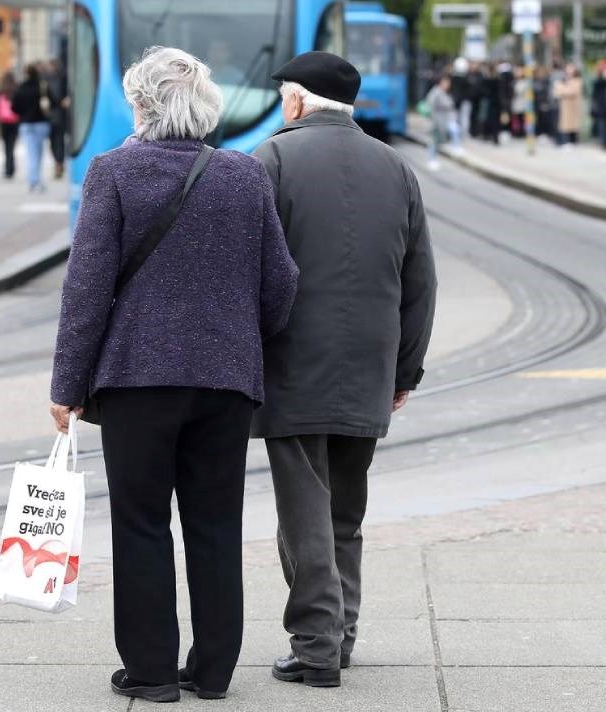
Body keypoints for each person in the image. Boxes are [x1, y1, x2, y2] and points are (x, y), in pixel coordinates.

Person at [48, 46, 298, 702]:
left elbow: (86, 289)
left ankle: (153, 673)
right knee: (215, 527)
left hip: (136, 383)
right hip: (224, 382)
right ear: (207, 107)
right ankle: (213, 672)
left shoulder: (113, 173)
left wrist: (66, 386)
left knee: (140, 524)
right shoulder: (244, 175)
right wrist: (241, 340)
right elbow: (282, 284)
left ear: (141, 104)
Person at [253, 51, 437, 688]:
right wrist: (404, 371)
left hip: (294, 365)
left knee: (303, 512)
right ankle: (342, 634)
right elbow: (420, 281)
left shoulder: (272, 160)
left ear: (298, 101)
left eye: (284, 97)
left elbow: (250, 270)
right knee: (345, 512)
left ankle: (316, 648)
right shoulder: (397, 168)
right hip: (370, 366)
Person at [12, 63, 49, 192]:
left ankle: (33, 180)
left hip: (26, 124)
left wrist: (23, 113)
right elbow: (53, 101)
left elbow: (14, 107)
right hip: (41, 123)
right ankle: (36, 179)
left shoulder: (21, 88)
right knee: (38, 153)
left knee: (31, 153)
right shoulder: (42, 87)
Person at [424, 75, 459, 170]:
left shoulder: (444, 93)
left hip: (443, 121)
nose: (448, 85)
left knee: (437, 141)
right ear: (441, 82)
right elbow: (430, 106)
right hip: (436, 121)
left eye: (448, 83)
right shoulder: (436, 92)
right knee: (434, 141)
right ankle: (432, 160)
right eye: (446, 83)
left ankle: (434, 159)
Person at [45, 59, 69, 178]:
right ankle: (58, 163)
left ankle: (58, 163)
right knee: (56, 141)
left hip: (55, 115)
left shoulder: (56, 79)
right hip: (55, 115)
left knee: (57, 141)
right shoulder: (49, 79)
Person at [0, 72, 20, 179]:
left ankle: (8, 168)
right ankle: (11, 166)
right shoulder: (16, 89)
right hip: (14, 121)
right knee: (12, 145)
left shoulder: (1, 90)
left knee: (6, 146)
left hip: (4, 122)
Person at [555, 64, 584, 147]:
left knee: (573, 125)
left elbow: (572, 91)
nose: (569, 71)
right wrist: (563, 89)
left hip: (574, 107)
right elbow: (557, 91)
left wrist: (563, 89)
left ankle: (573, 141)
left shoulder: (577, 80)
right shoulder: (564, 80)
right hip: (565, 107)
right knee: (565, 125)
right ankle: (565, 142)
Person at [590, 60, 606, 150]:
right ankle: (604, 142)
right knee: (602, 126)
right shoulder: (599, 81)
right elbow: (595, 94)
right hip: (601, 107)